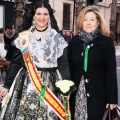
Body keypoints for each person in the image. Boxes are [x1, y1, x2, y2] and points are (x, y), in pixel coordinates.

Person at [0, 1, 70, 120]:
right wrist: (7, 85)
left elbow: (63, 64)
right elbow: (16, 63)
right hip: (26, 84)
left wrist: (66, 88)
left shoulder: (57, 38)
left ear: (49, 16)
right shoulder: (23, 37)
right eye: (38, 14)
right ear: (33, 15)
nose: (42, 17)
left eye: (45, 14)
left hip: (50, 84)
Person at [68, 6, 118, 120]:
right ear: (81, 22)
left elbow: (111, 72)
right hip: (77, 94)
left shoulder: (106, 42)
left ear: (98, 22)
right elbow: (70, 68)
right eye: (85, 19)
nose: (88, 23)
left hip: (98, 94)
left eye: (92, 19)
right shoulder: (75, 41)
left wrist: (112, 99)